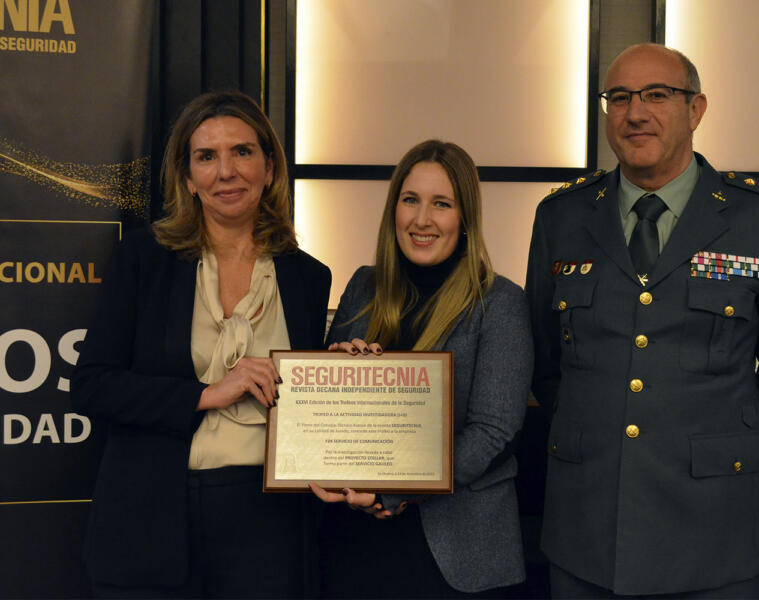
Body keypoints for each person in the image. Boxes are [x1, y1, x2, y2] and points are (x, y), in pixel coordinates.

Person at [525, 43, 759, 598]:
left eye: (657, 95)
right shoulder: (560, 217)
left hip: (714, 537)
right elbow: (546, 363)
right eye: (619, 97)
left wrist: (726, 463)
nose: (635, 113)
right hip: (587, 535)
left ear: (697, 109)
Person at [71, 90, 331, 598]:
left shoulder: (308, 277)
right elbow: (92, 387)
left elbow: (304, 403)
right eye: (206, 156)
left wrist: (343, 373)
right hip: (151, 518)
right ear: (188, 178)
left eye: (242, 152)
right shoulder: (143, 259)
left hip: (268, 520)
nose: (226, 171)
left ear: (270, 167)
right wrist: (207, 392)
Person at [311, 139, 532, 597]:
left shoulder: (501, 303)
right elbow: (325, 421)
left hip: (456, 551)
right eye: (410, 200)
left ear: (465, 218)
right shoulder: (363, 286)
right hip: (355, 540)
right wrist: (333, 371)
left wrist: (392, 494)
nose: (422, 219)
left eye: (442, 204)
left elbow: (492, 433)